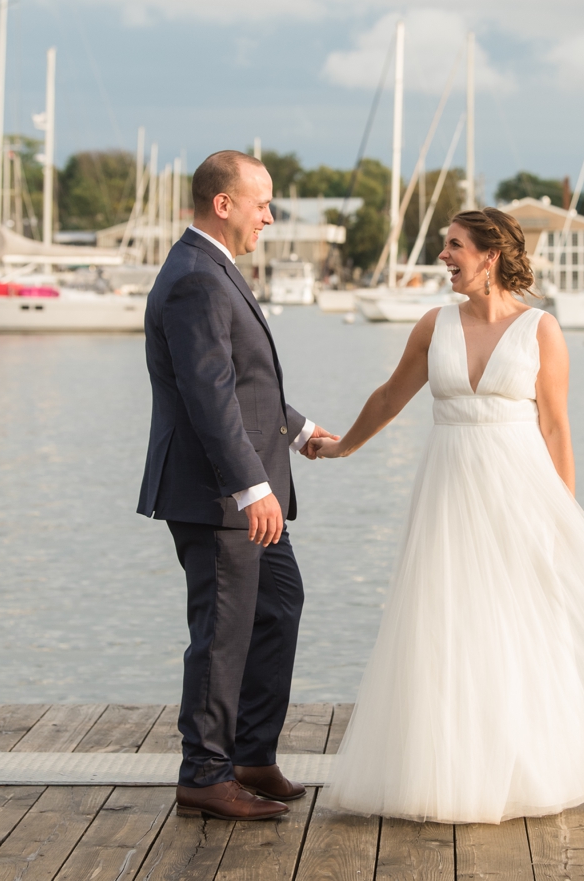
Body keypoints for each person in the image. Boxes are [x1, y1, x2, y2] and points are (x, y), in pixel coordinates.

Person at [309, 208, 584, 824]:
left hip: (521, 494)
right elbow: (389, 395)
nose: (442, 257)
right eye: (443, 246)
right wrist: (343, 445)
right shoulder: (434, 325)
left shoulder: (542, 331)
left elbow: (557, 427)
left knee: (519, 623)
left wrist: (561, 520)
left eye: (453, 246)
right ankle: (445, 770)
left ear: (489, 255)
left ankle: (528, 766)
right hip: (449, 492)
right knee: (445, 623)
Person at [138, 150, 334, 822]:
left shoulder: (212, 270)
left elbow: (245, 384)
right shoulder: (197, 277)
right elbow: (208, 393)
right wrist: (252, 485)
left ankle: (251, 753)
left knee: (278, 604)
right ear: (224, 204)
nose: (269, 217)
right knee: (222, 630)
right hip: (220, 493)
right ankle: (205, 771)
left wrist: (300, 428)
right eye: (263, 203)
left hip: (241, 487)